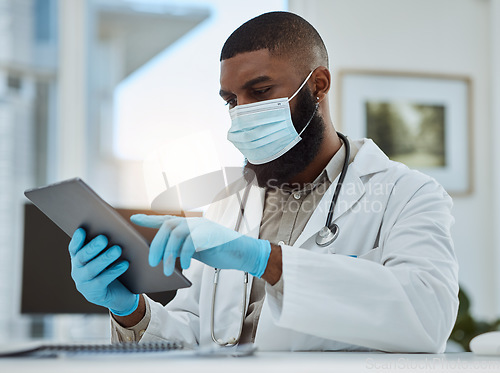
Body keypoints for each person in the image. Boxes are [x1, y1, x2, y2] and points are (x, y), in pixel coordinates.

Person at [68, 11, 458, 352]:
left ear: (318, 84)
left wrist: (264, 259)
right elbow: (195, 334)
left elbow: (429, 319)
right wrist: (131, 310)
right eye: (231, 100)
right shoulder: (227, 203)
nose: (242, 113)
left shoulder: (407, 195)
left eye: (260, 91)